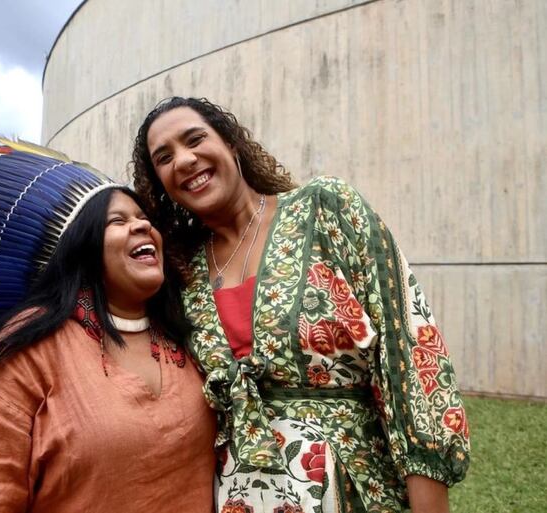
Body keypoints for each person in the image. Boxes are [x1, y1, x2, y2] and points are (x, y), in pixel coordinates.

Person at [131, 97, 470, 513]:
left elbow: (410, 355)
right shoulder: (183, 273)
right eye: (164, 158)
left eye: (195, 139)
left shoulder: (323, 210)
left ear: (231, 144)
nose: (184, 160)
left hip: (351, 488)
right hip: (237, 495)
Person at [0, 137, 217, 512]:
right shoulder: (29, 346)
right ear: (82, 247)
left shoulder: (184, 333)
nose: (142, 227)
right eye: (118, 221)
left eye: (144, 219)